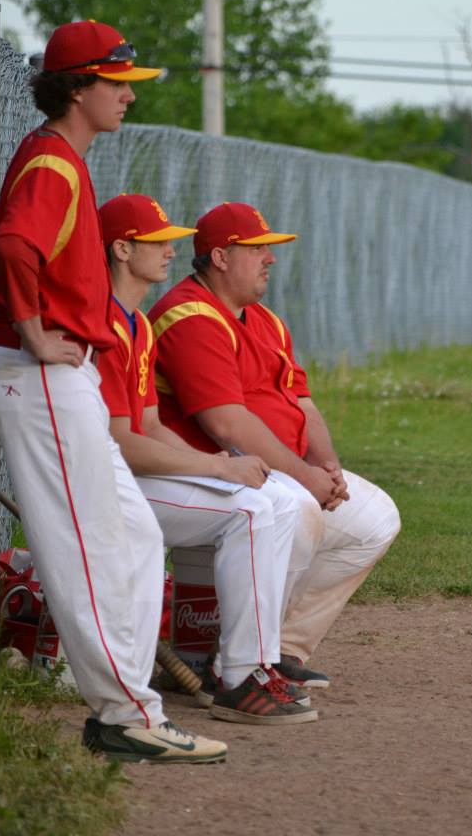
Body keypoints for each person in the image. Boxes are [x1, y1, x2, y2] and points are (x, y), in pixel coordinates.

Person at [0, 20, 226, 763]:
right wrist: (33, 330)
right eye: (116, 82)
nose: (128, 95)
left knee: (136, 536)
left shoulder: (63, 158)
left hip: (64, 374)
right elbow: (12, 244)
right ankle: (124, 715)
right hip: (39, 373)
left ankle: (129, 706)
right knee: (89, 548)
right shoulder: (53, 162)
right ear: (77, 87)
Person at [148, 201, 401, 685]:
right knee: (296, 510)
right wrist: (305, 478)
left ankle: (282, 647)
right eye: (257, 248)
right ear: (220, 257)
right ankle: (243, 661)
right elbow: (227, 426)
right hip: (213, 469)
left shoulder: (265, 320)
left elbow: (303, 403)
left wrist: (328, 468)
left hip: (279, 469)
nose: (271, 258)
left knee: (375, 520)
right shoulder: (190, 316)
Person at [96, 192, 318, 725]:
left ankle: (254, 664)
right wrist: (217, 467)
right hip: (102, 482)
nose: (172, 251)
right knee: (251, 509)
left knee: (273, 498)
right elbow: (119, 441)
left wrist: (220, 463)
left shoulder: (137, 323)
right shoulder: (100, 326)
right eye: (158, 241)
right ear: (122, 250)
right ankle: (240, 676)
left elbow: (151, 426)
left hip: (133, 474)